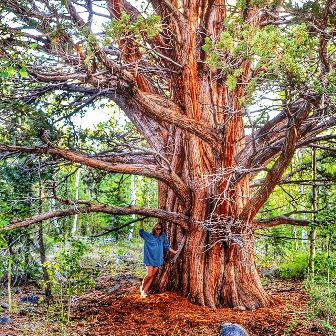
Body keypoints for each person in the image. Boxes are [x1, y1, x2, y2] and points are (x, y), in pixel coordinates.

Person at [139, 220, 177, 298]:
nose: (158, 230)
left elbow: (166, 246)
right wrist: (141, 221)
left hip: (158, 259)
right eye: (157, 228)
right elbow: (141, 232)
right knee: (149, 274)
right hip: (149, 258)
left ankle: (144, 292)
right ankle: (142, 286)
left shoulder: (162, 236)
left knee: (152, 276)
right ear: (154, 228)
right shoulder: (148, 236)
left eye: (160, 229)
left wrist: (175, 252)